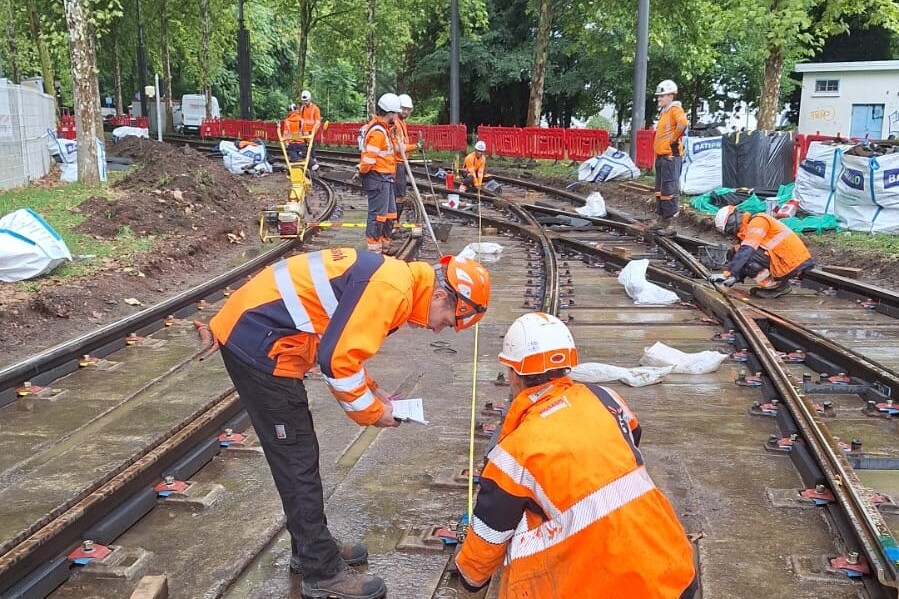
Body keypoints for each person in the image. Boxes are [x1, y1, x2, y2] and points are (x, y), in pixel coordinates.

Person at [209, 248, 491, 599]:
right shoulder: (394, 292)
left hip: (261, 329)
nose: (436, 328)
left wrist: (375, 391)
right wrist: (375, 412)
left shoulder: (397, 281)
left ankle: (312, 546)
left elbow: (343, 343)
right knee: (296, 458)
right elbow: (336, 362)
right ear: (438, 296)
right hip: (257, 342)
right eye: (446, 320)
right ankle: (321, 570)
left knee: (300, 455)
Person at [454, 312, 697, 598]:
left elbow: (487, 541)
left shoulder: (515, 452)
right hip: (674, 573)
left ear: (514, 374)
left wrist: (469, 575)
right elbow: (633, 435)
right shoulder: (607, 398)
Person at [709, 205, 814, 298]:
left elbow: (747, 251)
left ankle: (777, 287)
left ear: (733, 221)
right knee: (736, 252)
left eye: (729, 229)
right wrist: (734, 277)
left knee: (746, 256)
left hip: (791, 262)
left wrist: (728, 274)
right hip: (785, 259)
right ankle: (776, 285)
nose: (731, 233)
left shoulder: (758, 222)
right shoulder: (749, 227)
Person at [356, 93, 401, 253]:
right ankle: (374, 251)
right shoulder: (378, 133)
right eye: (395, 113)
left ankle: (384, 244)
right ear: (388, 113)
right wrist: (362, 172)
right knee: (377, 216)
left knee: (389, 214)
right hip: (377, 178)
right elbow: (368, 160)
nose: (397, 116)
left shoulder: (385, 130)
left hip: (386, 178)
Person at [651, 79, 688, 236]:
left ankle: (671, 225)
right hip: (662, 156)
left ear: (671, 96)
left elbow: (683, 123)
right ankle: (662, 220)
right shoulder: (665, 112)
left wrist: (673, 139)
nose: (659, 99)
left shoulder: (675, 110)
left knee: (669, 189)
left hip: (670, 156)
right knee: (660, 190)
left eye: (662, 96)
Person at [389, 94, 421, 239]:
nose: (406, 112)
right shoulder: (395, 124)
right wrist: (415, 146)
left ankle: (394, 224)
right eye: (404, 109)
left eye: (408, 110)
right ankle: (393, 225)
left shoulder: (401, 123)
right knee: (398, 196)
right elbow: (398, 147)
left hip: (400, 162)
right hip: (396, 163)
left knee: (399, 196)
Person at [298, 89, 322, 171]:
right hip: (304, 132)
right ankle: (311, 164)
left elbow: (317, 122)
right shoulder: (302, 109)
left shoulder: (315, 109)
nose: (305, 102)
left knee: (311, 148)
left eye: (306, 100)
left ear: (310, 99)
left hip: (312, 132)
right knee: (305, 149)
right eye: (304, 101)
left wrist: (313, 133)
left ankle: (313, 163)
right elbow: (301, 120)